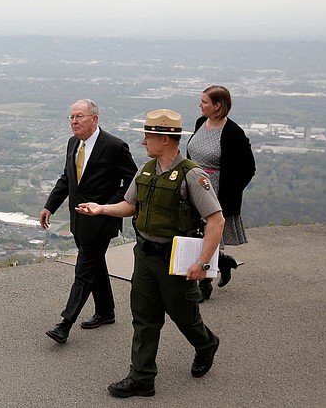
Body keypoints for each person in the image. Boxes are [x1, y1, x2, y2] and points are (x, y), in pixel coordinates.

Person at [76, 109, 224, 398]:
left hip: (175, 258)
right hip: (144, 256)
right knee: (144, 317)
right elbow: (130, 205)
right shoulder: (146, 171)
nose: (144, 142)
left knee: (184, 316)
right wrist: (102, 208)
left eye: (149, 136)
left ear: (166, 140)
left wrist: (203, 262)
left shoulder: (191, 175)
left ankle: (206, 344)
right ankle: (142, 377)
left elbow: (216, 220)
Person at [39, 99, 137, 345]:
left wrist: (106, 206)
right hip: (79, 222)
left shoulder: (114, 146)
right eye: (71, 117)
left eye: (79, 116)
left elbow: (133, 183)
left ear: (94, 118)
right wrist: (50, 206)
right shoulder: (73, 143)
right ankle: (106, 312)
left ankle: (65, 324)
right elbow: (67, 179)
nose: (74, 121)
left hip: (102, 221)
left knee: (83, 271)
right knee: (94, 265)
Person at [187, 85, 256, 301]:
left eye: (204, 102)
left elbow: (248, 167)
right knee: (192, 232)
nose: (200, 105)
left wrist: (230, 190)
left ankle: (204, 286)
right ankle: (223, 261)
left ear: (218, 106)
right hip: (193, 186)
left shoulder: (233, 133)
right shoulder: (200, 123)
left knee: (207, 235)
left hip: (215, 191)